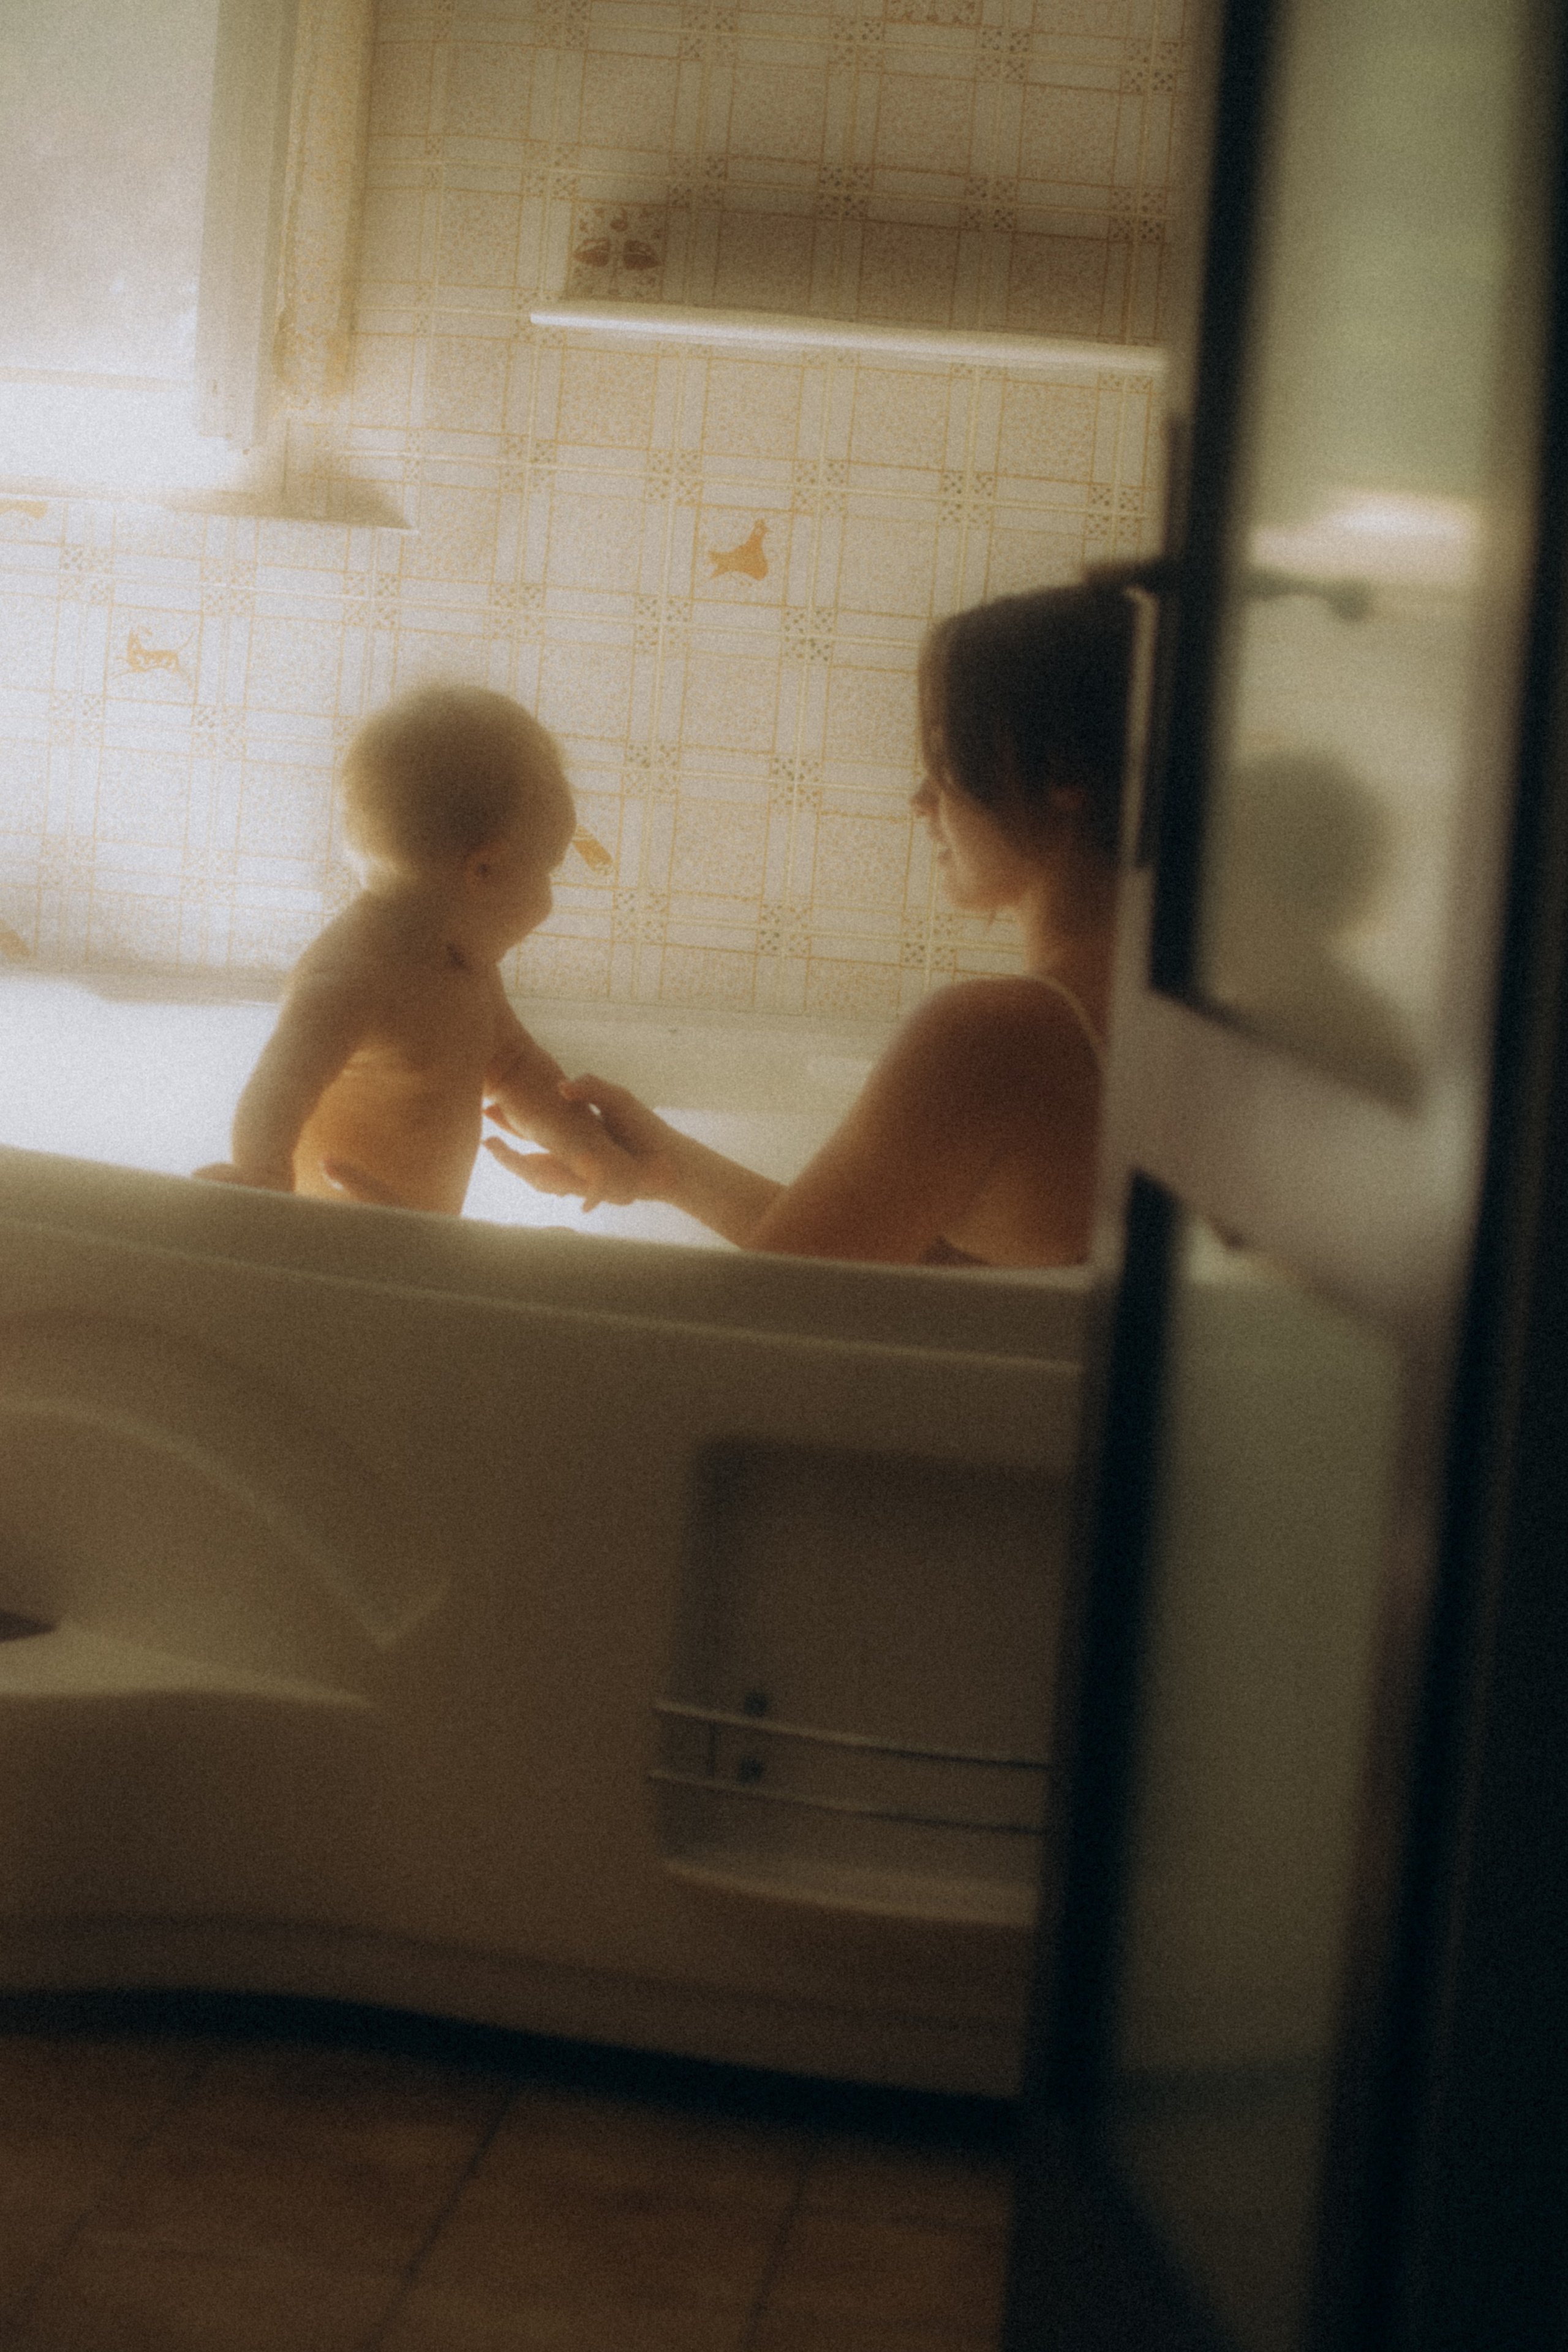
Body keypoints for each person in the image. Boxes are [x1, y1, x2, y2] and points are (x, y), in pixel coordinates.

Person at [488, 582, 1135, 1265]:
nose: (921, 800)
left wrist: (561, 1276)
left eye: (946, 756)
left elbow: (777, 1308)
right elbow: (948, 1280)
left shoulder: (993, 1036)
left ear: (1062, 770)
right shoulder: (1152, 1016)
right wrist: (674, 1171)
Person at [195, 684, 637, 1216]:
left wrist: (585, 1146)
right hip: (332, 1241)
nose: (549, 898)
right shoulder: (351, 977)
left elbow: (516, 1070)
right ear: (485, 869)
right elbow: (281, 1085)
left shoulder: (463, 966)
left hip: (417, 1242)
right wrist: (263, 1174)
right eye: (547, 871)